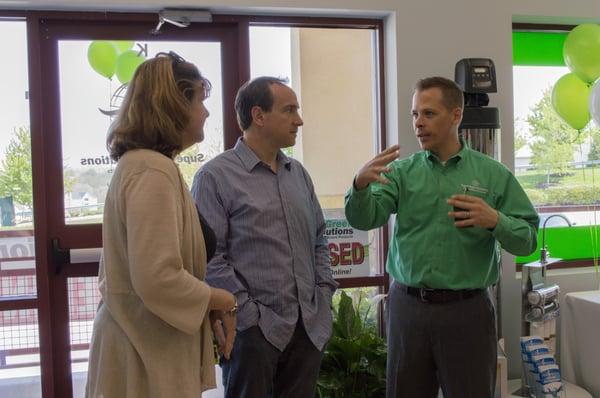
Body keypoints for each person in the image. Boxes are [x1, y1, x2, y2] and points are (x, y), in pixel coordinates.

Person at [345, 76, 539, 398]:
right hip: (408, 309)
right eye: (415, 114)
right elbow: (365, 218)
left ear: (456, 115)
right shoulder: (401, 173)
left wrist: (495, 221)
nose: (418, 123)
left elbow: (528, 240)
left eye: (429, 114)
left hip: (468, 312)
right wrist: (360, 186)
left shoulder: (494, 175)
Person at [85, 52, 237, 398]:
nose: (207, 113)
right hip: (142, 357)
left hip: (145, 348)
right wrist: (220, 298)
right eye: (200, 100)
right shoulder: (151, 170)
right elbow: (157, 278)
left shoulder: (149, 166)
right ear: (174, 105)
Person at [191, 76, 338, 398]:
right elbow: (209, 257)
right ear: (258, 116)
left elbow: (318, 240)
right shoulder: (215, 177)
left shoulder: (298, 173)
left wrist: (323, 295)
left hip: (307, 327)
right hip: (251, 334)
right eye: (289, 110)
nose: (299, 120)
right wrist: (248, 317)